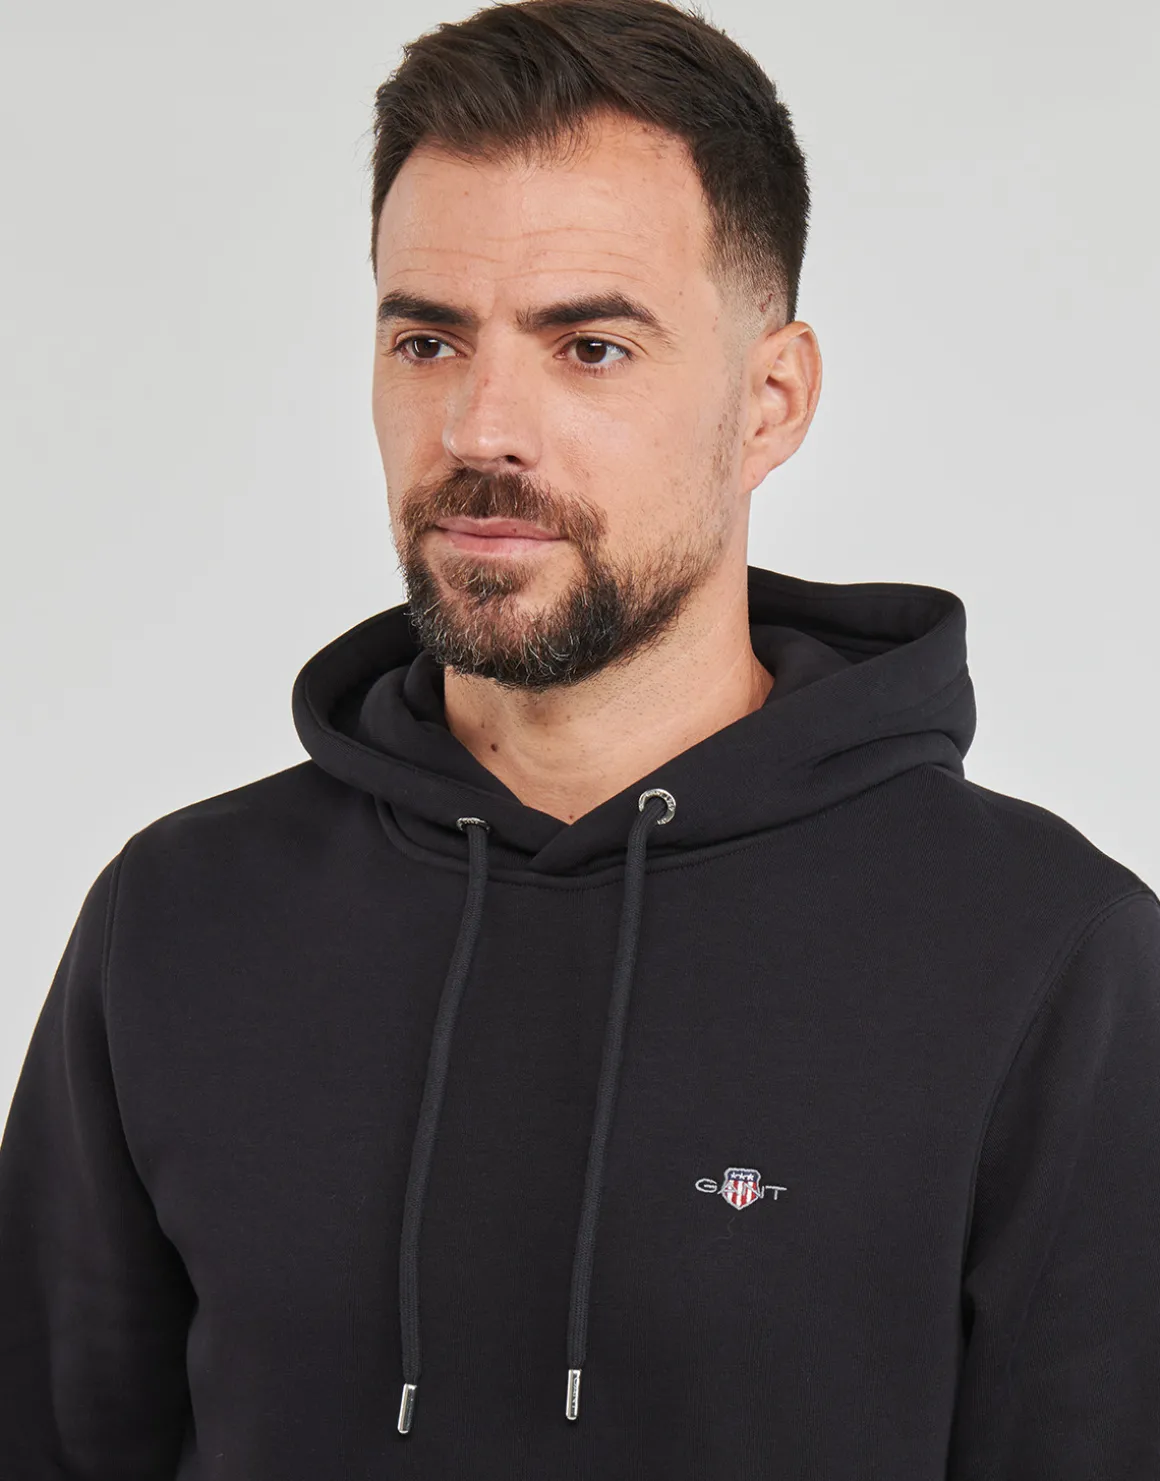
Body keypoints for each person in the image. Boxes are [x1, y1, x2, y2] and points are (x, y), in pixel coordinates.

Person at [1, 0, 1157, 1475]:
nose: (482, 429)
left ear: (771, 402)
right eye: (429, 339)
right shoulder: (176, 922)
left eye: (590, 346)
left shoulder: (1047, 957)